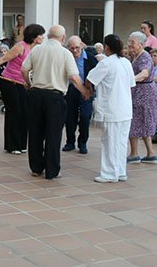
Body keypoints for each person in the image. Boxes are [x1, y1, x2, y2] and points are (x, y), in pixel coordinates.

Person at [21, 25, 90, 179]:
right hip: (55, 97)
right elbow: (73, 77)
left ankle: (36, 167)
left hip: (36, 94)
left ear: (47, 36)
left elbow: (24, 70)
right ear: (63, 38)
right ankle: (52, 170)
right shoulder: (65, 53)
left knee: (35, 132)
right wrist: (84, 91)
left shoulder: (37, 50)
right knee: (53, 134)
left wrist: (29, 84)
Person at [0, 24, 45, 154]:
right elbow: (4, 58)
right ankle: (12, 145)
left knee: (24, 113)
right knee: (14, 112)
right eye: (41, 35)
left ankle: (22, 144)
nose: (43, 37)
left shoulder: (35, 48)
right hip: (9, 82)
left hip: (22, 84)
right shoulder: (20, 46)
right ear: (34, 36)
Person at [86, 35, 135, 183]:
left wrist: (88, 91)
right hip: (125, 108)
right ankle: (120, 171)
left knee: (110, 142)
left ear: (107, 47)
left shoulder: (106, 63)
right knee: (120, 142)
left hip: (112, 108)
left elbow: (90, 79)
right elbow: (131, 83)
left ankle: (109, 173)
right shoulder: (126, 62)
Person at [62, 35, 98, 154]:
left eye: (77, 47)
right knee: (69, 116)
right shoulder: (66, 57)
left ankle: (82, 143)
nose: (75, 51)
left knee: (85, 116)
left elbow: (97, 74)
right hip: (71, 88)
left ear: (82, 46)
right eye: (72, 48)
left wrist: (91, 88)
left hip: (86, 89)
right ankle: (70, 142)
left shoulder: (90, 58)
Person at [126, 31, 157, 164]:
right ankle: (150, 153)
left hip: (143, 94)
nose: (129, 44)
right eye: (129, 41)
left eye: (132, 42)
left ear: (141, 44)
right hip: (141, 92)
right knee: (143, 122)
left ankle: (134, 154)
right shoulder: (137, 56)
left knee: (135, 122)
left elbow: (144, 73)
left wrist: (130, 80)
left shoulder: (144, 57)